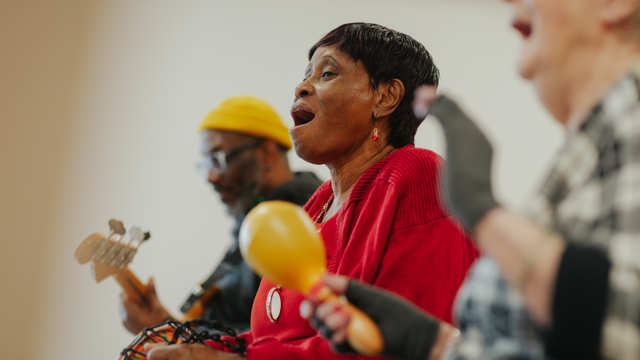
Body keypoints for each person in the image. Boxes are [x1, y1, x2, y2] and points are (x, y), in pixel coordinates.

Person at [306, 0, 640, 359]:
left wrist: (487, 215)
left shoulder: (629, 126)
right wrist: (432, 343)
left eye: (326, 73)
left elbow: (625, 331)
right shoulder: (591, 152)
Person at [146, 23, 478, 360]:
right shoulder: (316, 207)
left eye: (327, 73)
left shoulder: (417, 175)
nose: (302, 87)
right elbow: (279, 339)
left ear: (385, 96)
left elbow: (412, 341)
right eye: (306, 75)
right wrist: (200, 349)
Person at [119, 95, 322, 333]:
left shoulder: (297, 219)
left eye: (219, 158)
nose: (210, 177)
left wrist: (166, 333)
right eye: (206, 164)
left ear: (267, 154)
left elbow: (277, 336)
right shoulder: (252, 222)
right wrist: (167, 327)